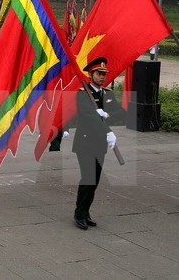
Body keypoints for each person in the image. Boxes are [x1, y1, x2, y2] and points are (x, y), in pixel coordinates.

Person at [72, 57, 123, 230]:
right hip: (85, 143)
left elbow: (118, 111)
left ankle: (86, 212)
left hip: (100, 144)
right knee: (88, 178)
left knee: (95, 181)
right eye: (98, 74)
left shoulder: (107, 93)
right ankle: (79, 214)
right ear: (90, 74)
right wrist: (107, 130)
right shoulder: (82, 93)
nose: (102, 77)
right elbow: (88, 116)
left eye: (104, 74)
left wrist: (107, 114)